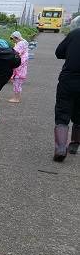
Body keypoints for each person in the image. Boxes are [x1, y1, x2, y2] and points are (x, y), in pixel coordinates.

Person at [53, 18, 80, 162]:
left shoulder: (75, 34)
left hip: (69, 79)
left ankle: (61, 149)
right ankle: (75, 144)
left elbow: (59, 53)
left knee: (63, 113)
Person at [8, 31, 30, 103]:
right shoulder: (24, 42)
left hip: (19, 67)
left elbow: (15, 52)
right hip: (22, 67)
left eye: (13, 38)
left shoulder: (20, 44)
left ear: (16, 38)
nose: (13, 40)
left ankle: (16, 98)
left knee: (17, 84)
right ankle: (16, 98)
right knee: (18, 84)